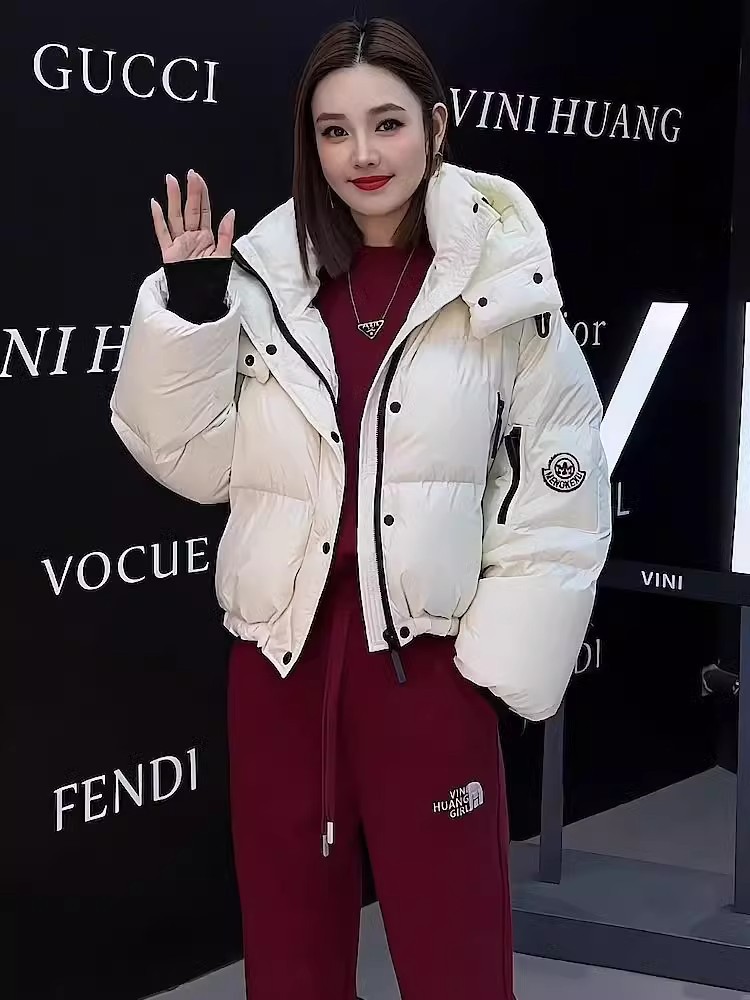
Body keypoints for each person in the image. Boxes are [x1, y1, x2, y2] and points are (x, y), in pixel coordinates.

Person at [110, 16, 611, 1000]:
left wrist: (490, 666)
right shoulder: (263, 278)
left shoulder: (503, 282)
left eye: (387, 123)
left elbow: (564, 474)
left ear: (437, 125)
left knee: (456, 960)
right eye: (334, 130)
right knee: (289, 959)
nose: (363, 154)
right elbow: (195, 464)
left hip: (427, 669)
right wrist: (195, 314)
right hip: (278, 663)